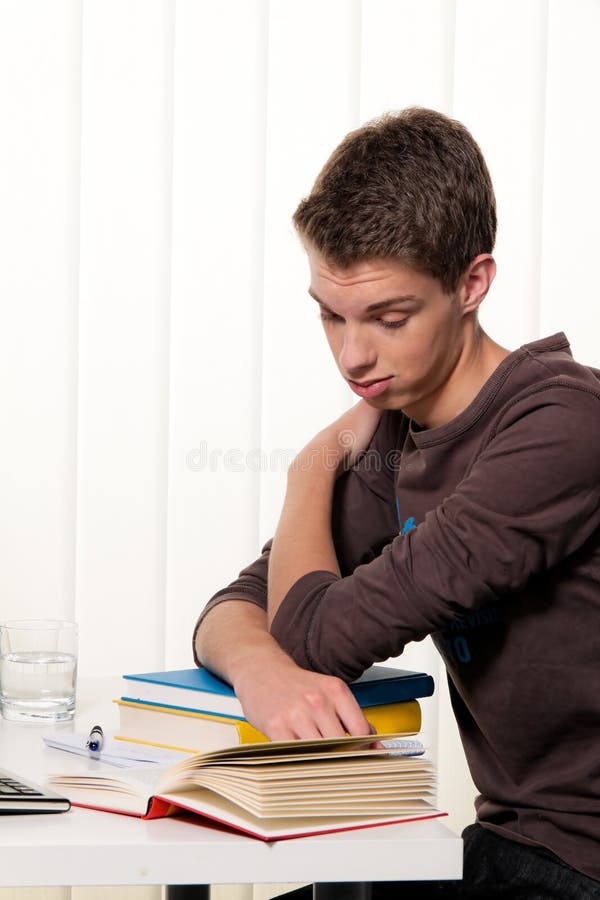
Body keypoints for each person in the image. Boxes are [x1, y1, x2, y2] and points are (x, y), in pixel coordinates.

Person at [193, 108, 600, 898]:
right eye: (330, 314)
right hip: (507, 852)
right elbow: (239, 604)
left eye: (389, 317)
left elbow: (313, 631)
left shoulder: (563, 428)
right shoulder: (400, 438)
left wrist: (310, 468)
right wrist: (261, 674)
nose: (352, 355)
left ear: (473, 283)